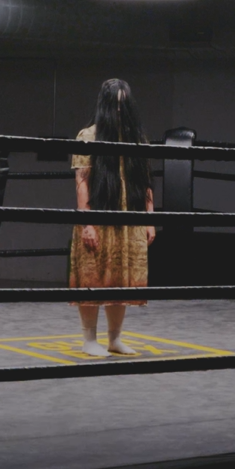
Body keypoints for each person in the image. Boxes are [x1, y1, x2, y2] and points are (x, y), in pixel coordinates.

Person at [70, 78, 156, 356]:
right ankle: (89, 340)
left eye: (124, 104)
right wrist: (87, 224)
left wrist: (149, 218)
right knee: (92, 277)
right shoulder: (88, 136)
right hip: (98, 216)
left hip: (129, 217)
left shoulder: (137, 139)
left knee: (121, 278)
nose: (119, 110)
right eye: (115, 104)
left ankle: (115, 338)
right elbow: (82, 183)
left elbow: (145, 182)